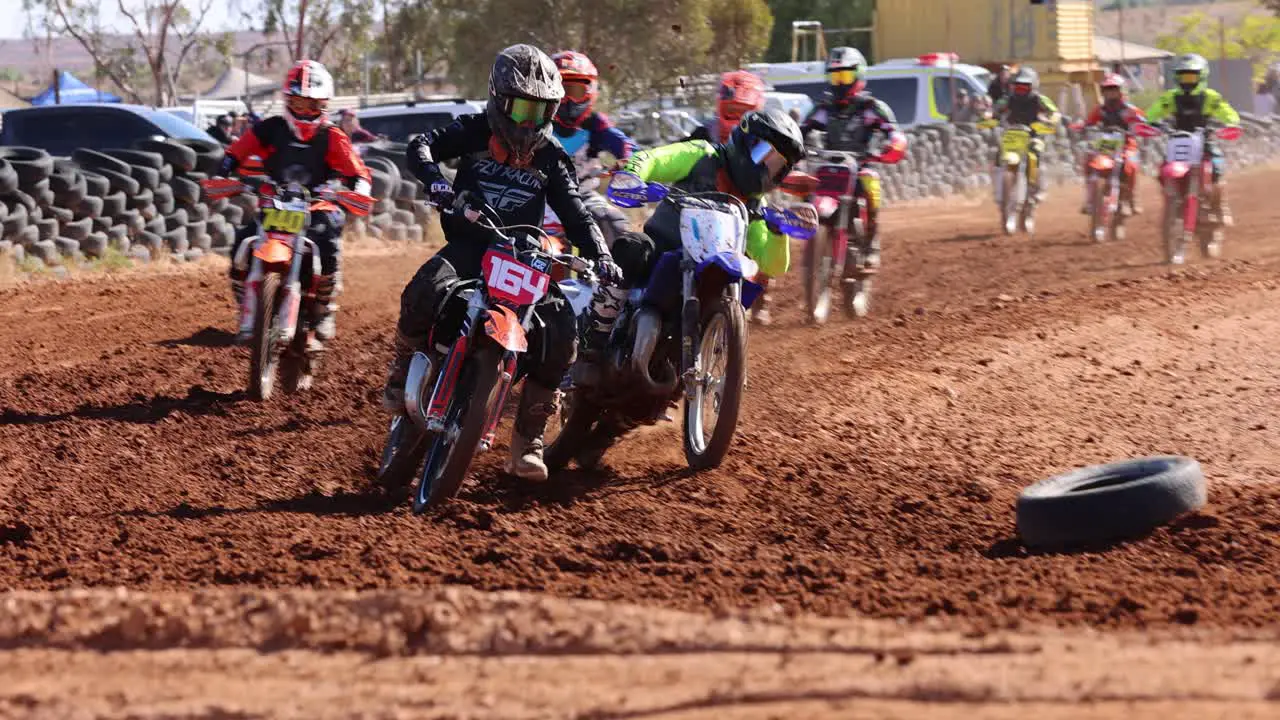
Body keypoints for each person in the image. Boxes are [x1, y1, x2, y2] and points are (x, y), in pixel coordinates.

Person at [384, 44, 622, 482]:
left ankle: (528, 439)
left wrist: (601, 255)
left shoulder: (551, 156)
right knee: (423, 288)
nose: (530, 122)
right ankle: (402, 371)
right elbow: (423, 145)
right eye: (523, 109)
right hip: (471, 248)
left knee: (564, 333)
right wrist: (437, 182)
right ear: (498, 100)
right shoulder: (473, 131)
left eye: (542, 111)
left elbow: (575, 212)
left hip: (523, 258)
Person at [594, 108, 805, 339]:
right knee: (632, 246)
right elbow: (654, 159)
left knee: (746, 279)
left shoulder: (755, 204)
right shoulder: (702, 155)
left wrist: (777, 232)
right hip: (663, 246)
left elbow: (771, 266)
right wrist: (633, 175)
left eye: (777, 166)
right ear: (745, 140)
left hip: (714, 264)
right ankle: (595, 336)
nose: (767, 168)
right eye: (764, 154)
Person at [218, 59, 371, 355]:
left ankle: (324, 310)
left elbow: (357, 172)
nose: (304, 112)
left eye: (311, 106)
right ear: (287, 101)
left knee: (327, 241)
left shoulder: (332, 135)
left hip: (318, 204)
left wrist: (359, 190)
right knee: (243, 239)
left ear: (323, 106)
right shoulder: (271, 128)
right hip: (276, 199)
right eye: (299, 104)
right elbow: (236, 152)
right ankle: (248, 304)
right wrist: (223, 170)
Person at [800, 47, 908, 276]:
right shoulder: (823, 109)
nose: (839, 83)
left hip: (860, 166)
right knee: (804, 185)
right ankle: (811, 245)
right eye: (835, 76)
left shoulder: (870, 108)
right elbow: (801, 131)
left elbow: (894, 132)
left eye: (845, 76)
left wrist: (893, 146)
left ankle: (870, 243)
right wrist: (792, 145)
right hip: (828, 166)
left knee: (870, 181)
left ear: (858, 75)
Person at [548, 50, 637, 247]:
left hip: (584, 196)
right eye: (561, 91)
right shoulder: (536, 123)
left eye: (576, 92)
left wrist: (629, 166)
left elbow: (631, 150)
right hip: (540, 198)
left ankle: (616, 276)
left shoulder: (597, 126)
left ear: (591, 91)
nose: (568, 100)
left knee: (615, 224)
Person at [1145, 53, 1241, 226]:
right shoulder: (1170, 97)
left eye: (1191, 76)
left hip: (1204, 140)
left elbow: (1228, 113)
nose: (1187, 80)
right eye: (1183, 76)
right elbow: (1154, 111)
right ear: (1177, 78)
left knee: (1217, 167)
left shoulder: (1211, 97)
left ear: (1202, 76)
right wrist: (1151, 122)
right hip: (1178, 140)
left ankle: (1221, 207)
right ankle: (1172, 199)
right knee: (1162, 170)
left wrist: (1231, 124)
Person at [988, 66, 1061, 206]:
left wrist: (1051, 121)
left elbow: (1054, 112)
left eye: (1025, 86)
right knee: (998, 156)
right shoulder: (1007, 99)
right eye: (1018, 86)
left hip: (1033, 134)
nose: (1021, 89)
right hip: (1012, 134)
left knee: (1037, 153)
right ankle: (999, 192)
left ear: (1033, 85)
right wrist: (989, 117)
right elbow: (995, 110)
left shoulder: (1040, 99)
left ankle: (1039, 188)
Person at [1079, 73, 1146, 216]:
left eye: (1114, 89)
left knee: (1131, 165)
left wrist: (1141, 128)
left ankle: (1131, 199)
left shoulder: (1130, 110)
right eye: (1108, 90)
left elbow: (1143, 122)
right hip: (1105, 144)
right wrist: (1082, 127)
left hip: (1127, 144)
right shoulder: (1100, 109)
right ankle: (1090, 199)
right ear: (1103, 92)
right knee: (1088, 160)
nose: (1111, 93)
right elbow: (1089, 122)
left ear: (1121, 91)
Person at [689, 70, 767, 144]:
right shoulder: (703, 134)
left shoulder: (767, 142)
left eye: (742, 112)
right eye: (731, 110)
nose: (737, 116)